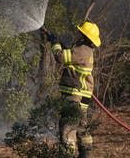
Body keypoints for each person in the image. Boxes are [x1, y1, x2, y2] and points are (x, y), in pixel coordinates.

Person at [40, 21, 101, 158]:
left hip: (74, 97)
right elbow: (70, 57)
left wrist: (55, 44)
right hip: (82, 99)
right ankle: (84, 155)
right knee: (82, 128)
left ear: (84, 36)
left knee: (67, 129)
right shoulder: (86, 50)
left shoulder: (82, 50)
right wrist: (57, 41)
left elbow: (60, 57)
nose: (77, 34)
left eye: (80, 32)